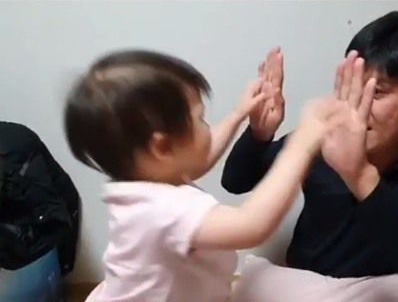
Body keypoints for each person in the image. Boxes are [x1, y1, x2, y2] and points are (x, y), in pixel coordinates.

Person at [64, 49, 372, 302]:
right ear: (162, 147)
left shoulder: (144, 182)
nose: (207, 128)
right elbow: (251, 226)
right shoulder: (163, 210)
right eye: (200, 119)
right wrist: (303, 143)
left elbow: (199, 161)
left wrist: (239, 114)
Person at [223, 11, 398, 302]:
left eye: (377, 92)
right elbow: (236, 182)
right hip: (301, 288)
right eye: (352, 87)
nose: (355, 106)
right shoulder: (324, 139)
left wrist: (361, 177)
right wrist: (259, 135)